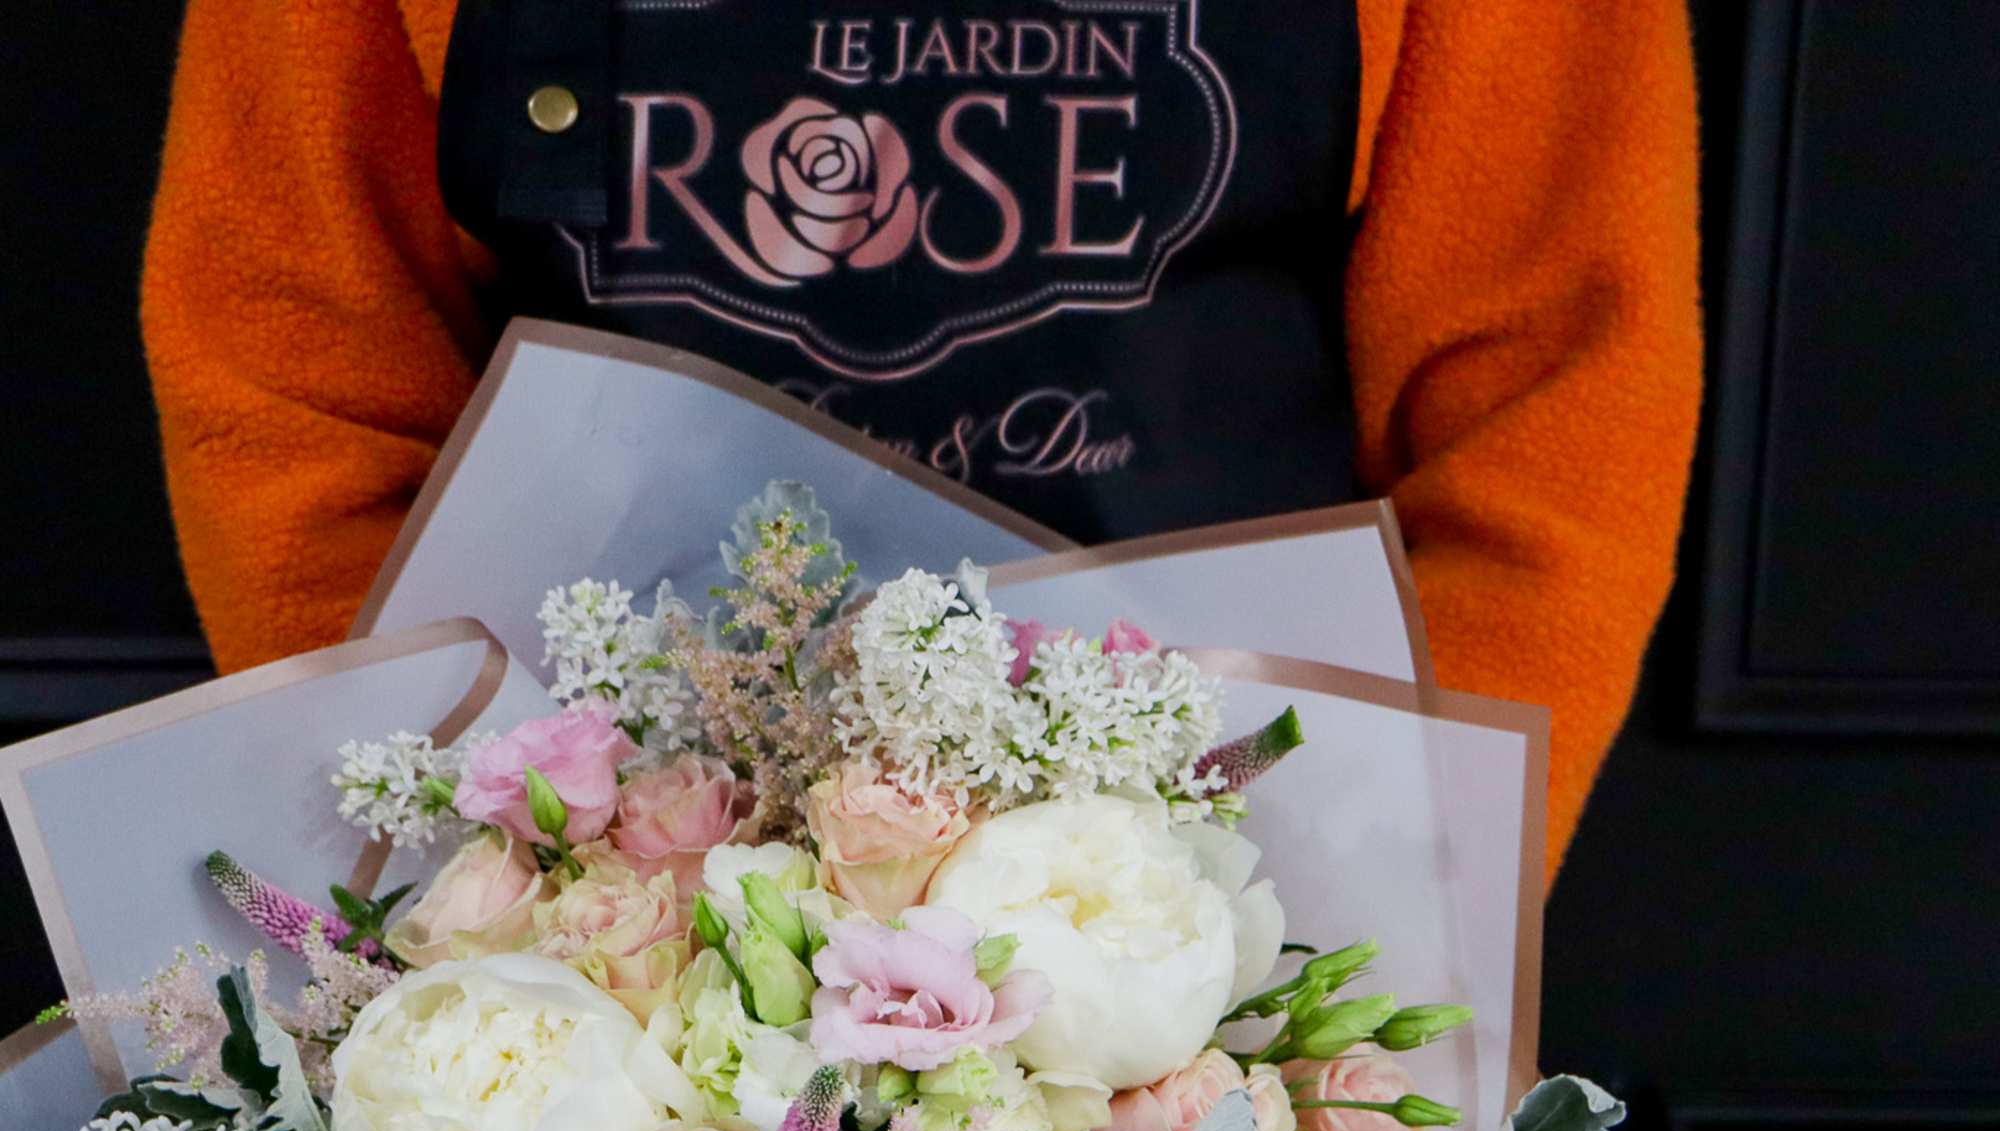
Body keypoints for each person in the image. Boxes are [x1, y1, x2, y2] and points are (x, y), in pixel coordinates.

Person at [141, 0, 1700, 882]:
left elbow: (1551, 418)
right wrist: (464, 909)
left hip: (1227, 956)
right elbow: (295, 392)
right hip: (593, 971)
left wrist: (1360, 940)